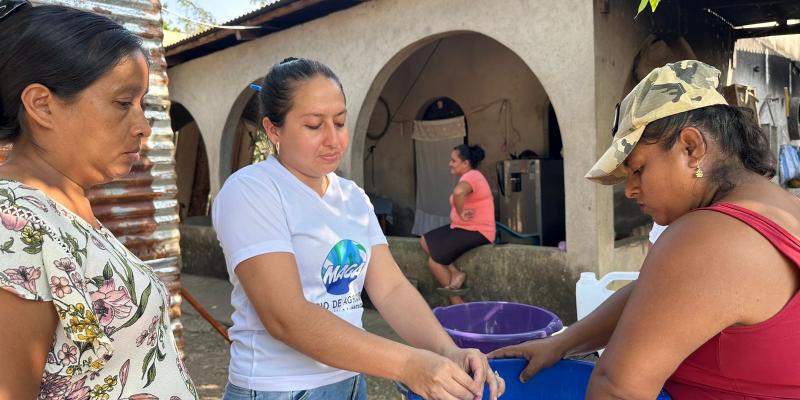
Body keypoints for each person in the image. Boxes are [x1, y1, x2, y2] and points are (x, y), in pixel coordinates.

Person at [490, 60, 800, 398]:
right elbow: (654, 297)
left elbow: (617, 390)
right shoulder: (780, 208)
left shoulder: (708, 235)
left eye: (638, 169)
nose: (630, 189)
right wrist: (563, 341)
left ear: (691, 148)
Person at [212, 58, 503, 400]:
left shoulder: (351, 197)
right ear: (274, 129)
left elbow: (392, 288)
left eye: (339, 122)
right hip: (278, 389)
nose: (333, 139)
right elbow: (286, 317)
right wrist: (410, 364)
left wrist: (447, 349)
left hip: (350, 383)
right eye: (313, 125)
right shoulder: (252, 190)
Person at [0, 2, 197, 399]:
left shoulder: (64, 210)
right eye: (123, 103)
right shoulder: (15, 225)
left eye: (141, 105)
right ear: (42, 104)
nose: (143, 127)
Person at [420, 144, 496, 305]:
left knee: (435, 262)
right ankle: (455, 273)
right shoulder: (470, 176)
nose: (450, 164)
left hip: (478, 231)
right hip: (463, 228)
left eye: (453, 161)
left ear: (465, 163)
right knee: (425, 241)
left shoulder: (473, 176)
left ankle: (458, 304)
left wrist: (461, 213)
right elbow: (459, 194)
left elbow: (458, 192)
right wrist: (461, 214)